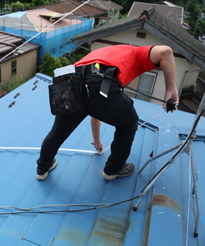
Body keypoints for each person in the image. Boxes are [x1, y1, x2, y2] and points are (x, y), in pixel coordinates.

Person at [36, 44, 179, 181]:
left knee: (57, 133)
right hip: (99, 81)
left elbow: (94, 108)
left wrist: (96, 140)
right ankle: (114, 169)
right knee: (129, 123)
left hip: (70, 82)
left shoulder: (109, 53)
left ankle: (43, 168)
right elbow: (165, 52)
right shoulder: (138, 53)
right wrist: (171, 88)